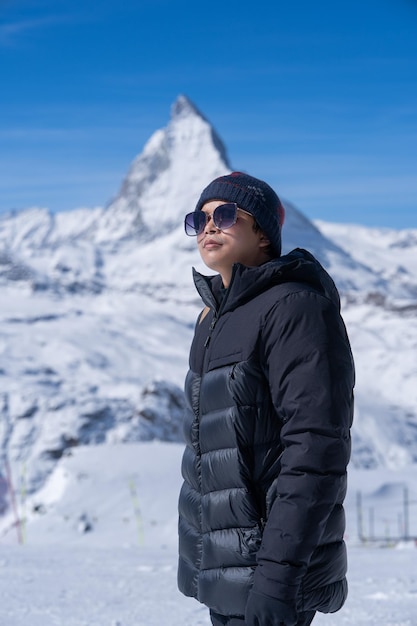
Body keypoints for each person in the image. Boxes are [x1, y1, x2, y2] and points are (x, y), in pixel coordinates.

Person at [177, 172, 355, 626]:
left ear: (263, 235)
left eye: (226, 214)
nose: (209, 226)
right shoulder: (213, 317)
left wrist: (278, 577)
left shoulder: (294, 306)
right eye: (200, 218)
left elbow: (315, 448)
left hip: (272, 575)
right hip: (225, 572)